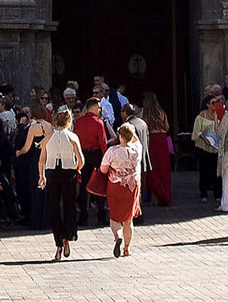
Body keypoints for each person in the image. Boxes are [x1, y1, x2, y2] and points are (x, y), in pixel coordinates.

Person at [44, 106, 87, 260]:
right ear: (69, 121)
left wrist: (41, 175)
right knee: (69, 206)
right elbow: (81, 160)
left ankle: (58, 244)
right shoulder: (72, 136)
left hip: (51, 173)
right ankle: (67, 236)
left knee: (54, 208)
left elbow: (42, 157)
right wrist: (77, 168)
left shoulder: (49, 136)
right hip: (68, 172)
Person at [102, 120, 145, 257]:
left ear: (119, 135)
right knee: (128, 219)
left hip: (115, 185)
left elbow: (103, 169)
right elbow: (136, 140)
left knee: (114, 216)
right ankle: (127, 248)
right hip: (131, 187)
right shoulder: (137, 150)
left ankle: (117, 235)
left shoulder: (112, 151)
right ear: (132, 136)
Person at [73, 93, 111, 225]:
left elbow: (75, 140)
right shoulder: (98, 122)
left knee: (84, 187)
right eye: (99, 107)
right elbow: (103, 143)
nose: (100, 110)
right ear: (93, 108)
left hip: (83, 155)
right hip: (96, 155)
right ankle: (101, 217)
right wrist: (107, 158)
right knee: (98, 185)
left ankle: (83, 217)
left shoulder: (78, 122)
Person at [16, 106, 49, 229]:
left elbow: (27, 147)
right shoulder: (50, 126)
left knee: (35, 190)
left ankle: (36, 221)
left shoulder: (34, 128)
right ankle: (45, 220)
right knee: (44, 191)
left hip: (35, 160)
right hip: (47, 159)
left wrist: (19, 152)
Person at [140, 92, 174, 207]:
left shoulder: (145, 114)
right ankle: (163, 195)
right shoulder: (161, 113)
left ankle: (154, 196)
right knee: (163, 169)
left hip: (152, 140)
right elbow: (167, 127)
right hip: (162, 140)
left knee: (152, 169)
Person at [192, 91, 224, 204]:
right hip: (204, 147)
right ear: (207, 104)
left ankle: (218, 194)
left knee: (217, 172)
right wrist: (204, 138)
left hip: (216, 147)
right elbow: (196, 131)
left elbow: (224, 126)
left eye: (217, 102)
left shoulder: (219, 113)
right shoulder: (202, 115)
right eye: (213, 102)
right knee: (204, 171)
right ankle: (203, 193)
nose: (216, 104)